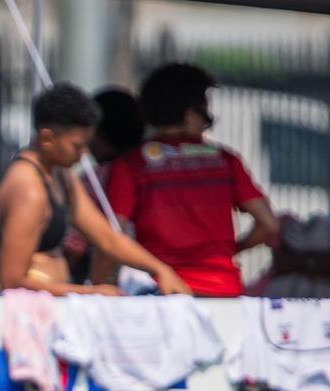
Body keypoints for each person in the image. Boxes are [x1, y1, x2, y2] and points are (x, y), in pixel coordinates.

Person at [0, 83, 191, 296]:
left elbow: (107, 238)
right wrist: (91, 292)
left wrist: (161, 269)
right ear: (47, 139)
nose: (84, 153)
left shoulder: (61, 176)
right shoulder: (28, 190)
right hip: (29, 317)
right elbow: (11, 281)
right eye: (77, 145)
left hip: (56, 307)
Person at [106, 63, 279, 297]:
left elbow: (110, 235)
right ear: (190, 115)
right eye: (206, 114)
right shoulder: (226, 161)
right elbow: (269, 225)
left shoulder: (130, 165)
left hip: (163, 291)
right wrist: (231, 250)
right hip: (224, 290)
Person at [62, 87, 145, 285]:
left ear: (97, 135)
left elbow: (77, 244)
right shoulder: (149, 169)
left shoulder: (93, 180)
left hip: (108, 282)